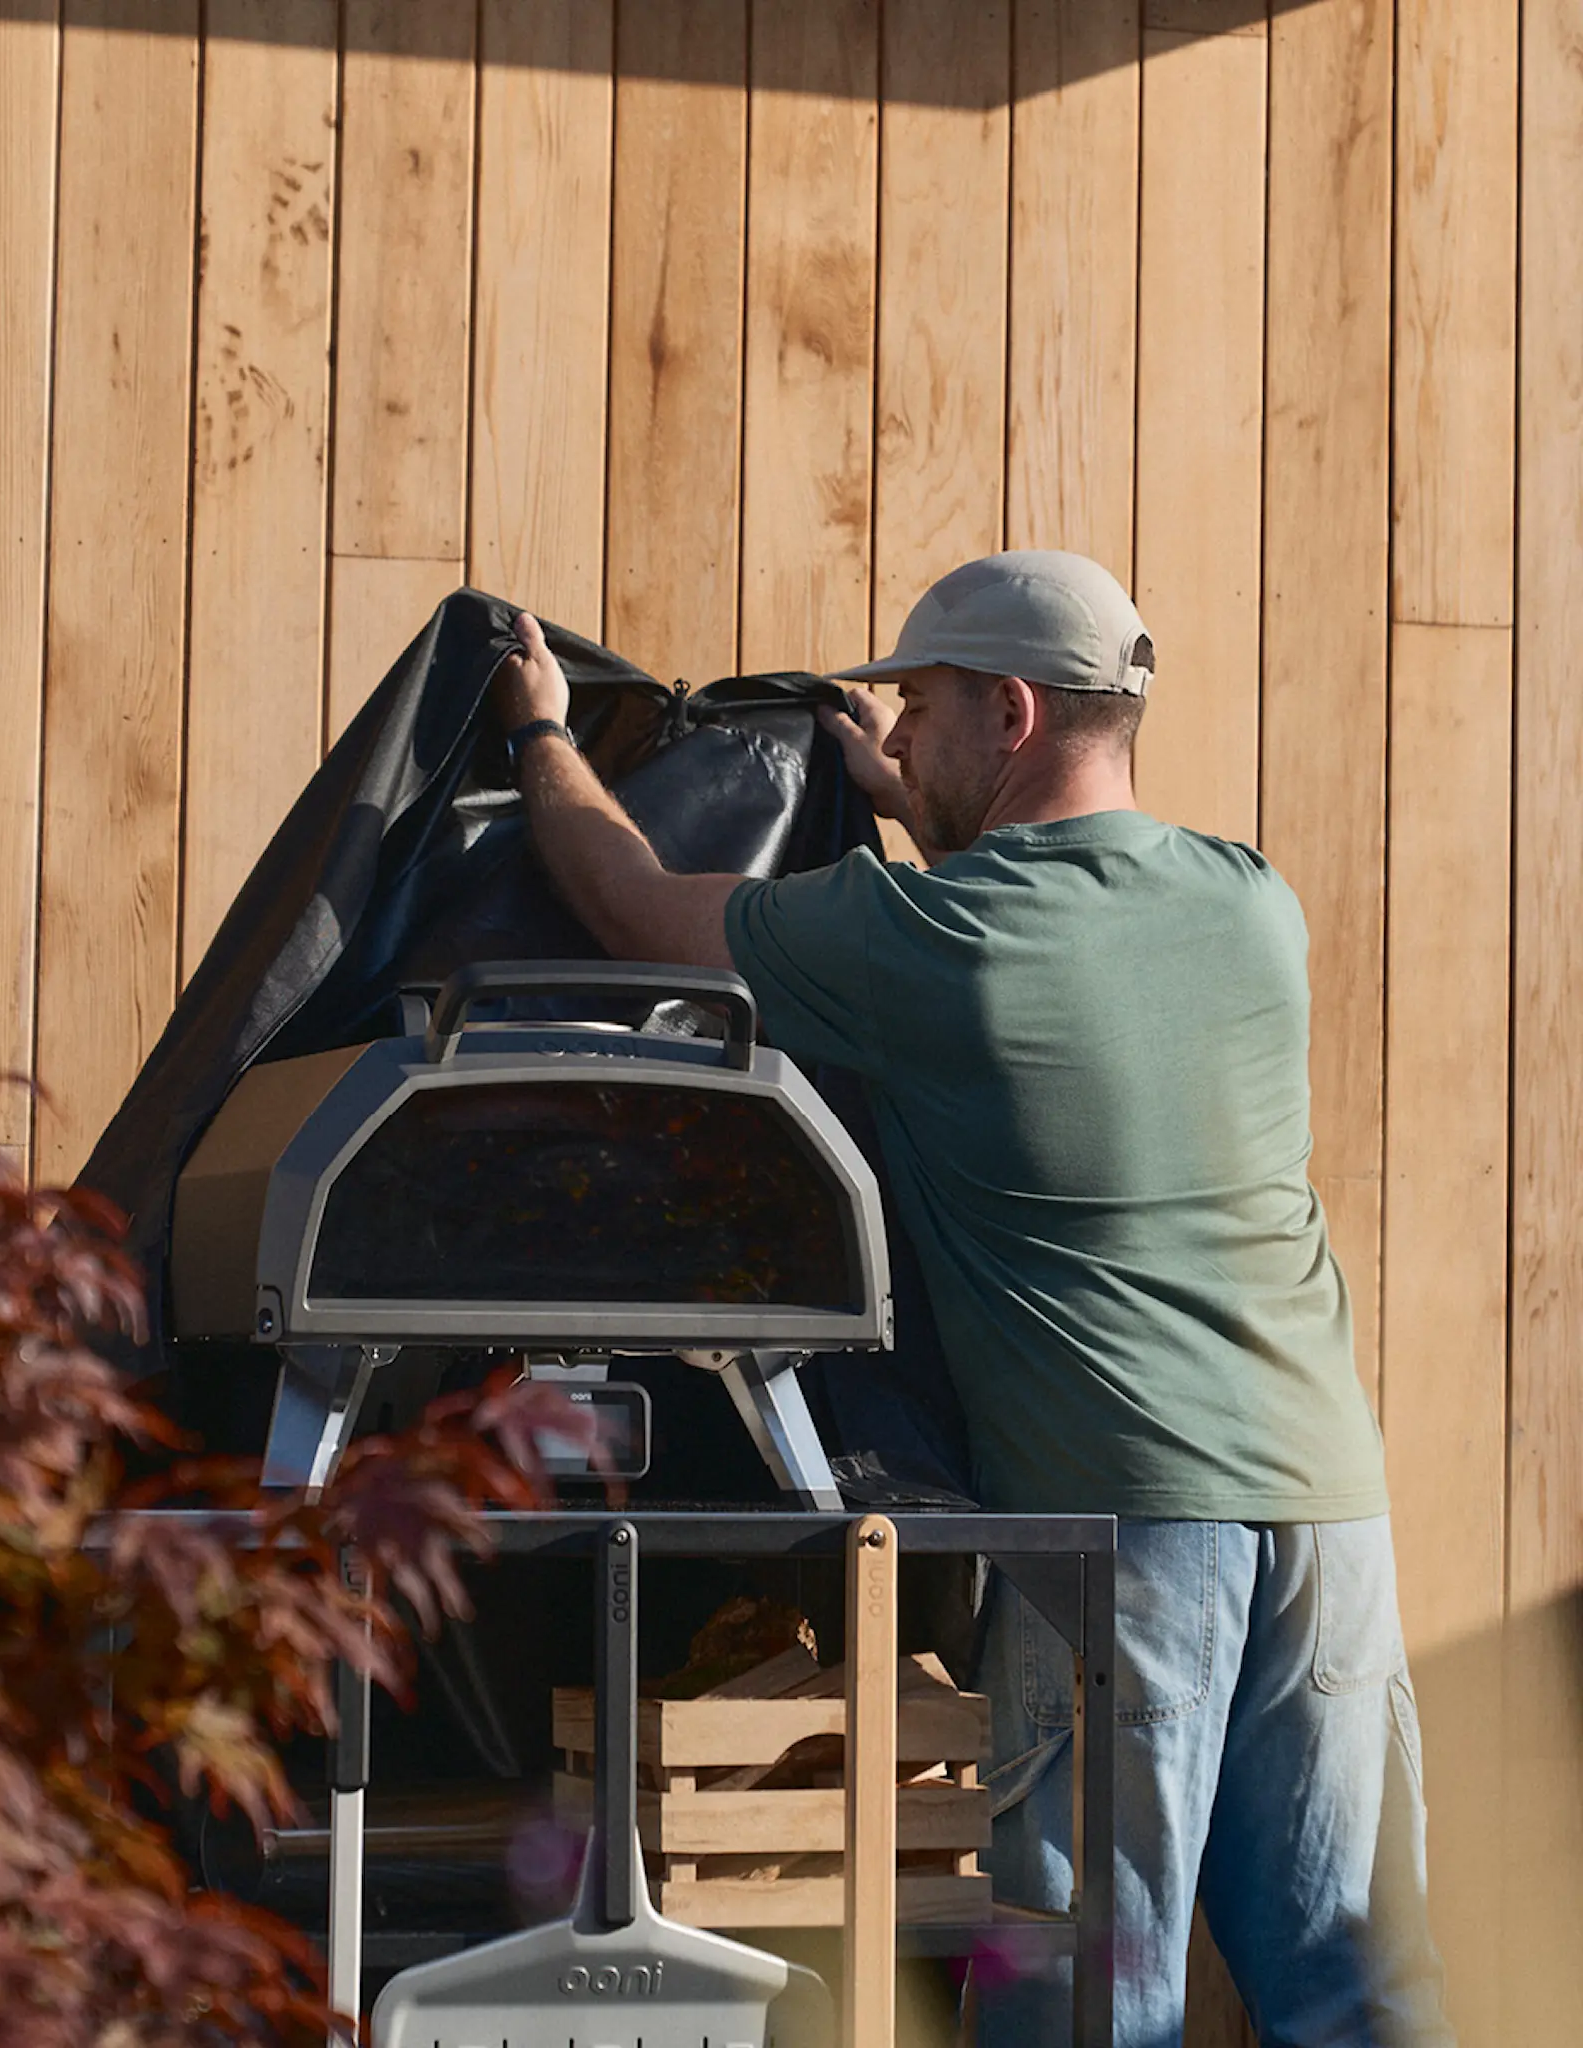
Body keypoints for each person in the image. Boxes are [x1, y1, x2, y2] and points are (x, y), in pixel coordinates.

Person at [492, 551, 1453, 2048]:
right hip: (1331, 1517)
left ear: (1011, 712)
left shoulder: (930, 940)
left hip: (1131, 1533)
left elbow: (632, 904)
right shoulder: (1250, 903)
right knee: (1357, 1995)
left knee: (1088, 2006)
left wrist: (544, 733)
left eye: (922, 707)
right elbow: (1063, 947)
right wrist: (923, 804)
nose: (896, 734)